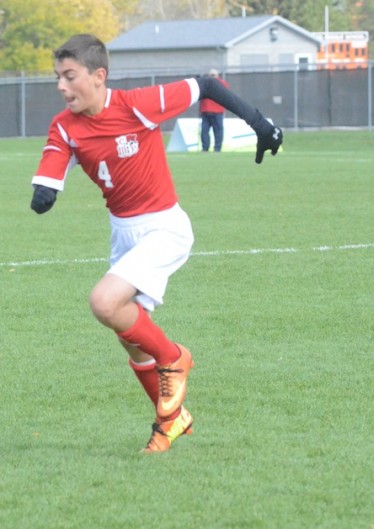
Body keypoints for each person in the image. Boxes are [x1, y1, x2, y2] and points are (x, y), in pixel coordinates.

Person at [30, 34, 281, 453]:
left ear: (98, 76)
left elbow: (206, 85)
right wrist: (44, 193)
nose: (61, 86)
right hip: (122, 235)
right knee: (128, 333)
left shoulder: (137, 105)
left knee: (104, 302)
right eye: (58, 77)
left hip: (164, 227)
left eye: (69, 76)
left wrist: (260, 123)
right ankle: (172, 421)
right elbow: (50, 170)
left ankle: (175, 357)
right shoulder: (64, 126)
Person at [200, 68, 230, 152]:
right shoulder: (205, 83)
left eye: (214, 75)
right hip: (206, 111)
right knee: (204, 131)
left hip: (217, 111)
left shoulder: (222, 83)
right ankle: (205, 148)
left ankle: (217, 148)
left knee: (218, 131)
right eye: (211, 75)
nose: (212, 77)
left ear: (217, 76)